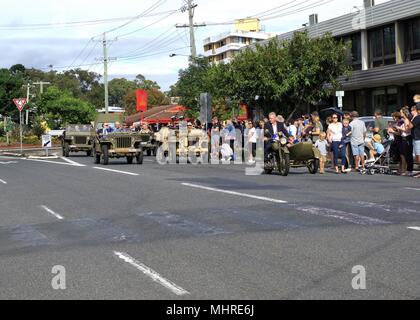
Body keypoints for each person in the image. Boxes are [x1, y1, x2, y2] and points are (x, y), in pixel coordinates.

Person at [399, 107, 414, 176]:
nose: (400, 113)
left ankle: (409, 170)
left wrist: (400, 128)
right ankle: (408, 170)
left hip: (407, 138)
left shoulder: (406, 120)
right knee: (406, 154)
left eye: (401, 112)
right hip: (405, 138)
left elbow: (408, 131)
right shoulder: (404, 120)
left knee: (408, 155)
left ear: (404, 113)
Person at [409, 103, 420, 178]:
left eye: (413, 111)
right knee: (417, 156)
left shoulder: (417, 117)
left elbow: (410, 126)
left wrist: (412, 118)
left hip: (417, 139)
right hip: (417, 138)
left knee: (418, 156)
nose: (411, 112)